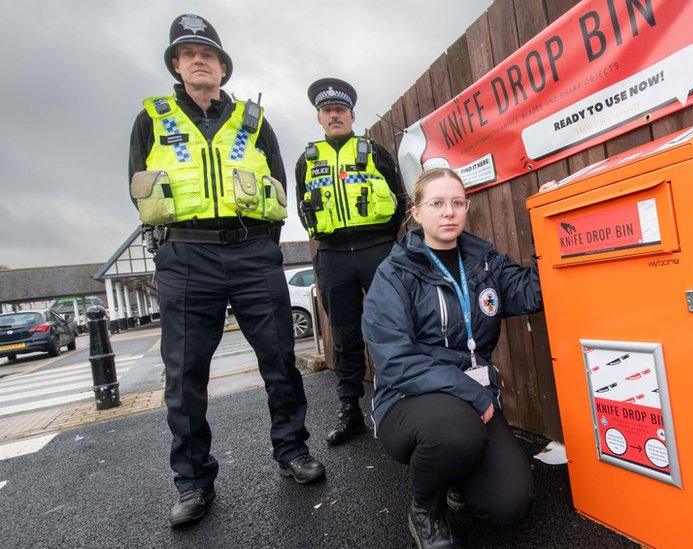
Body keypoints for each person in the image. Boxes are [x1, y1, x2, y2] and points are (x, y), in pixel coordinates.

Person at [128, 14, 325, 528]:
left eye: (208, 53)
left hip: (251, 252)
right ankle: (193, 482)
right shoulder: (151, 118)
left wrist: (262, 245)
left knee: (281, 357)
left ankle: (292, 450)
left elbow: (279, 192)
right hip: (185, 256)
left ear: (222, 67)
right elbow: (139, 187)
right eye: (188, 52)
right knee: (185, 375)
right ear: (176, 64)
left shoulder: (254, 121)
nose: (199, 59)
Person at [362, 168, 542, 548]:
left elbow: (532, 293)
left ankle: (458, 473)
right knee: (454, 432)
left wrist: (552, 227)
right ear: (417, 212)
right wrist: (475, 394)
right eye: (437, 203)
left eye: (457, 203)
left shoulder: (483, 261)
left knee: (508, 505)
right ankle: (425, 510)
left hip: (472, 400)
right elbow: (394, 361)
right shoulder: (394, 273)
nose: (449, 212)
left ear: (467, 208)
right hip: (409, 400)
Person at [296, 78, 406, 445]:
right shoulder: (306, 161)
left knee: (392, 325)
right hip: (332, 256)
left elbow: (400, 198)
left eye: (340, 110)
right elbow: (302, 207)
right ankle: (350, 409)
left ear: (352, 115)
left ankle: (399, 403)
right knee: (344, 335)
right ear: (319, 118)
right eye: (328, 111)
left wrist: (384, 240)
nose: (334, 116)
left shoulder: (374, 151)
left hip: (377, 249)